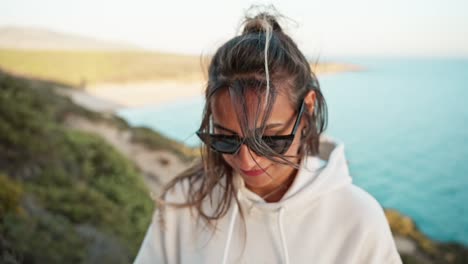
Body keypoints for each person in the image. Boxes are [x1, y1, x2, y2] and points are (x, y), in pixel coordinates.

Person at [134, 9, 402, 264]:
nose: (246, 162)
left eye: (269, 139)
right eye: (225, 138)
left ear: (307, 107)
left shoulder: (358, 219)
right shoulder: (185, 202)